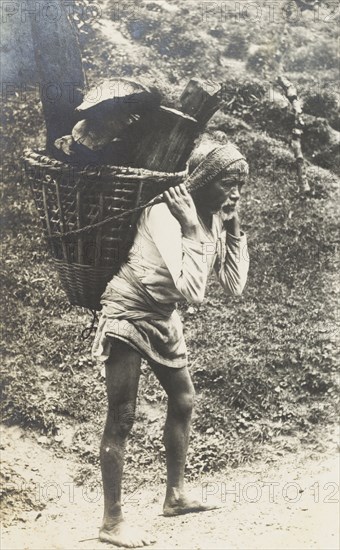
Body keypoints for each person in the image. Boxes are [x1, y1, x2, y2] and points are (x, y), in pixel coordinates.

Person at [92, 140, 250, 547]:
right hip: (128, 308)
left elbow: (234, 284)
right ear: (204, 180)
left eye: (240, 185)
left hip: (162, 315)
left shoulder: (212, 216)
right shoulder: (164, 212)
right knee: (122, 415)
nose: (235, 193)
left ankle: (175, 495)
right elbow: (194, 291)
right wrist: (195, 229)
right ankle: (112, 522)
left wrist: (233, 230)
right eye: (228, 183)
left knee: (183, 401)